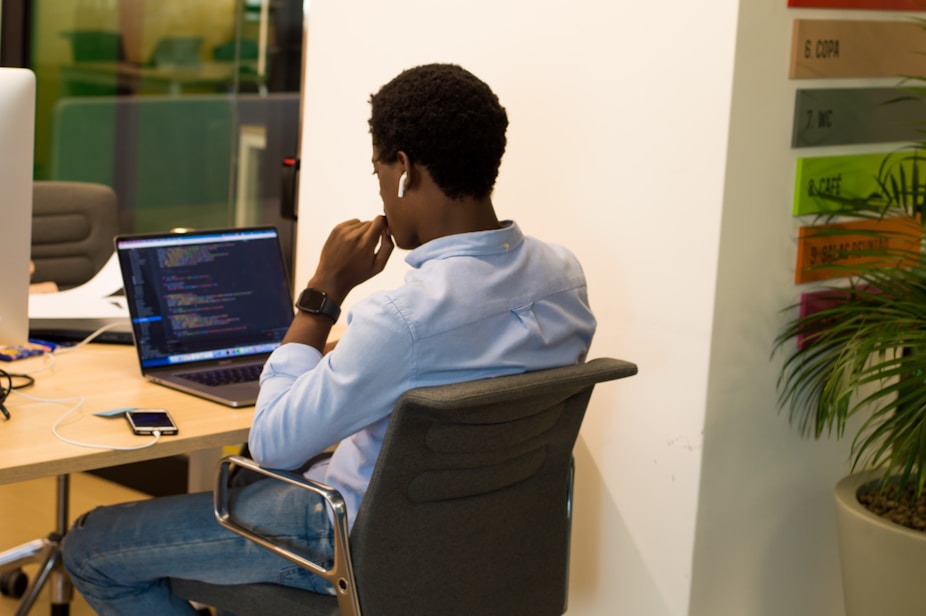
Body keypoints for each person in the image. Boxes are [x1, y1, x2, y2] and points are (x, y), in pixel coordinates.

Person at [61, 63, 597, 614]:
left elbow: (271, 446)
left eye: (380, 173)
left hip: (351, 535)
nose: (384, 193)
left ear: (405, 170)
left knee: (91, 547)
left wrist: (322, 293)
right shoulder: (563, 278)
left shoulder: (400, 317)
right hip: (481, 534)